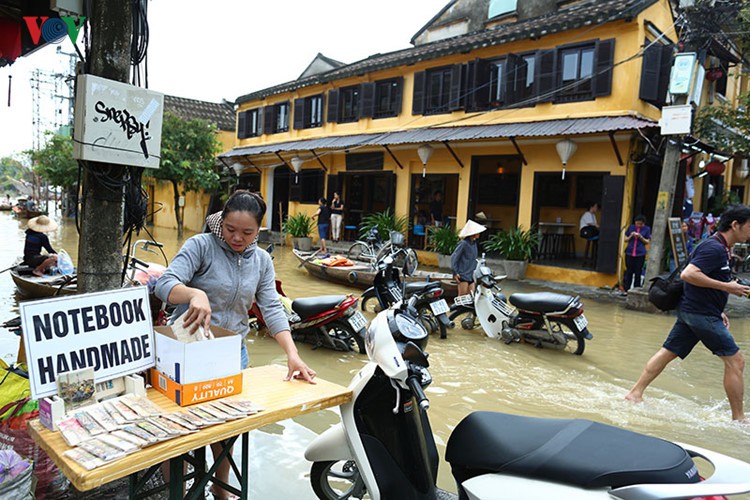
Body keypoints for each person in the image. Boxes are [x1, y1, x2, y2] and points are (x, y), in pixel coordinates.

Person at [154, 190, 317, 498]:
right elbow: (164, 284)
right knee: (180, 431)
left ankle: (220, 490)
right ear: (221, 221)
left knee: (226, 432)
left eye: (247, 232)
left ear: (259, 230)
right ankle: (178, 491)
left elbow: (271, 308)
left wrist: (292, 355)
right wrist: (193, 294)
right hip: (187, 353)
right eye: (230, 229)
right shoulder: (200, 246)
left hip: (232, 357)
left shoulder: (261, 260)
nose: (237, 238)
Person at [625, 205, 750, 424]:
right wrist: (727, 288)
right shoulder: (714, 248)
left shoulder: (721, 248)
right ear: (735, 225)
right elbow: (689, 274)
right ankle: (739, 419)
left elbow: (703, 280)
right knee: (736, 361)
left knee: (668, 351)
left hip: (696, 311)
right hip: (700, 314)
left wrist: (719, 308)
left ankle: (634, 393)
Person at [451, 219, 486, 297]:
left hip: (471, 275)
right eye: (477, 232)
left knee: (471, 297)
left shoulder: (474, 244)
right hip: (463, 275)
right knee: (461, 298)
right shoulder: (463, 244)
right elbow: (454, 257)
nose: (479, 234)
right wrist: (455, 273)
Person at [623, 215, 651, 291]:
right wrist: (631, 236)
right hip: (630, 252)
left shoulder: (647, 229)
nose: (638, 225)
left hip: (640, 253)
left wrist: (640, 237)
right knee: (629, 271)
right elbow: (625, 239)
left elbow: (647, 241)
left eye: (640, 224)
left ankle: (636, 289)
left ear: (643, 224)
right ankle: (626, 289)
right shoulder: (631, 227)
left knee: (638, 272)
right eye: (637, 223)